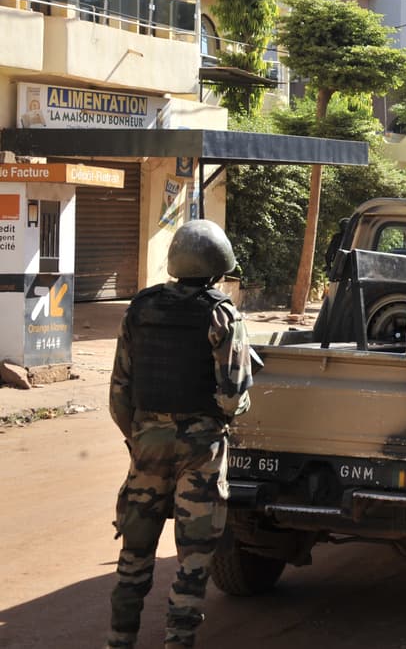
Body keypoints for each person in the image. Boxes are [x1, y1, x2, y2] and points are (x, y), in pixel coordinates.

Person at [107, 219, 252, 649]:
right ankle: (177, 641)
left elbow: (119, 393)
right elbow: (232, 398)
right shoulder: (222, 313)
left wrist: (140, 438)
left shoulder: (140, 307)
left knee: (134, 554)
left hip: (147, 444)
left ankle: (119, 641)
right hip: (201, 451)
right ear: (217, 267)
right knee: (193, 558)